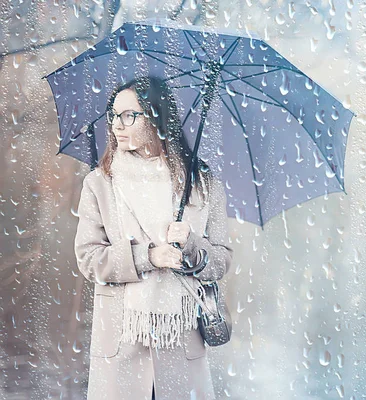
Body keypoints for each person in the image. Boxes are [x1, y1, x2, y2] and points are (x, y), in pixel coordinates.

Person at [74, 76, 233, 400]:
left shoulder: (201, 184)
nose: (117, 125)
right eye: (114, 115)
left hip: (182, 343)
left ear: (157, 118)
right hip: (122, 344)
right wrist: (147, 257)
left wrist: (192, 248)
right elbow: (88, 258)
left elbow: (221, 259)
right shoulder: (100, 184)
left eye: (129, 115)